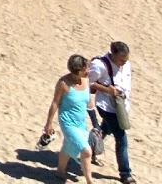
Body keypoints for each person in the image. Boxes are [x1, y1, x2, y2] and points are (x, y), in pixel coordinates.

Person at [41, 54, 95, 183]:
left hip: (81, 122)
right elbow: (55, 103)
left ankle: (59, 171)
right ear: (79, 69)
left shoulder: (86, 81)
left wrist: (96, 124)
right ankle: (90, 181)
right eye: (86, 68)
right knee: (86, 151)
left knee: (68, 147)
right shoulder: (63, 83)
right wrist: (48, 123)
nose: (89, 71)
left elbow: (89, 102)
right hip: (67, 122)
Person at [88, 41, 133, 184]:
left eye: (125, 60)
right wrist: (108, 90)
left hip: (120, 107)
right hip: (106, 106)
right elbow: (88, 83)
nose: (123, 63)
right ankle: (125, 174)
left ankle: (89, 150)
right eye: (121, 59)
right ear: (112, 54)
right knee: (121, 138)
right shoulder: (99, 65)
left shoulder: (126, 64)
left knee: (105, 129)